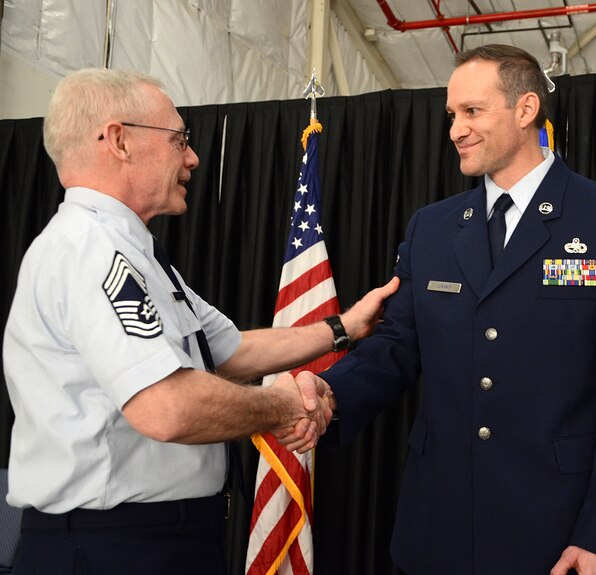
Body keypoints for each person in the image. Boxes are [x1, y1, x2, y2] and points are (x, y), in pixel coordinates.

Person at [2, 68, 398, 575]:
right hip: (113, 548)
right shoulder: (90, 250)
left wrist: (344, 327)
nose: (191, 157)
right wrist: (278, 407)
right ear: (119, 140)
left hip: (160, 539)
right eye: (179, 140)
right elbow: (166, 408)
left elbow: (230, 352)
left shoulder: (133, 252)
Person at [317, 44, 596, 575]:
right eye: (452, 116)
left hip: (556, 529)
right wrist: (331, 394)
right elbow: (398, 345)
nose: (456, 129)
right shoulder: (431, 228)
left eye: (472, 112)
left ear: (526, 110)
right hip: (438, 526)